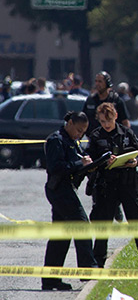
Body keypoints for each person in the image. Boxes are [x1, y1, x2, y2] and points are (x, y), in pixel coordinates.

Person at [86, 102, 138, 268]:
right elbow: (90, 161)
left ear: (115, 116)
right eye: (103, 121)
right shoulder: (96, 136)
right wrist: (104, 161)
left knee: (136, 221)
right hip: (106, 185)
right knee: (103, 225)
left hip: (127, 184)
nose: (106, 124)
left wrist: (135, 161)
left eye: (109, 120)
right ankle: (98, 262)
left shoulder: (126, 132)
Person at [41, 111, 98, 290]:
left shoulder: (72, 141)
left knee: (61, 236)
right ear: (70, 123)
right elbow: (56, 167)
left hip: (65, 189)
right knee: (82, 225)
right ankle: (87, 269)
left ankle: (50, 280)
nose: (80, 134)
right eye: (79, 130)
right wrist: (79, 164)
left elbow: (78, 162)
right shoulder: (56, 140)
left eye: (83, 132)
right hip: (59, 190)